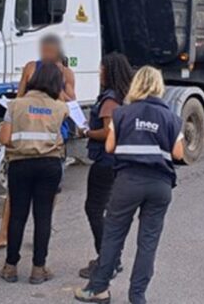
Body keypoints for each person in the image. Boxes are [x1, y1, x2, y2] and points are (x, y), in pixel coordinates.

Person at [74, 66, 185, 304]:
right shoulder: (171, 117)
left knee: (113, 235)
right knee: (148, 242)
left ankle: (99, 289)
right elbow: (178, 152)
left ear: (137, 85)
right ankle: (137, 296)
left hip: (128, 182)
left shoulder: (122, 114)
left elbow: (109, 147)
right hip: (160, 186)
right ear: (158, 86)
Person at [0, 34, 75, 254]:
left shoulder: (66, 73)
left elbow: (72, 102)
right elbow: (20, 96)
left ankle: (42, 234)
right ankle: (3, 234)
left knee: (48, 193)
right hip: (27, 131)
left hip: (52, 135)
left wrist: (57, 84)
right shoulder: (31, 68)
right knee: (15, 191)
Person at [0, 63, 70, 284]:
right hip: (50, 165)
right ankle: (39, 269)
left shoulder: (15, 105)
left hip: (20, 164)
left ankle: (10, 266)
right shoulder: (60, 108)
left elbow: (4, 138)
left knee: (18, 215)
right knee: (43, 216)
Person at [78, 53, 134, 279]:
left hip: (105, 161)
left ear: (109, 71)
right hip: (120, 162)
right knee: (109, 212)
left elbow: (109, 132)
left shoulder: (110, 100)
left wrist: (86, 132)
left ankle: (107, 260)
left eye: (101, 68)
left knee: (94, 209)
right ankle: (112, 258)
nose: (99, 72)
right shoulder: (126, 96)